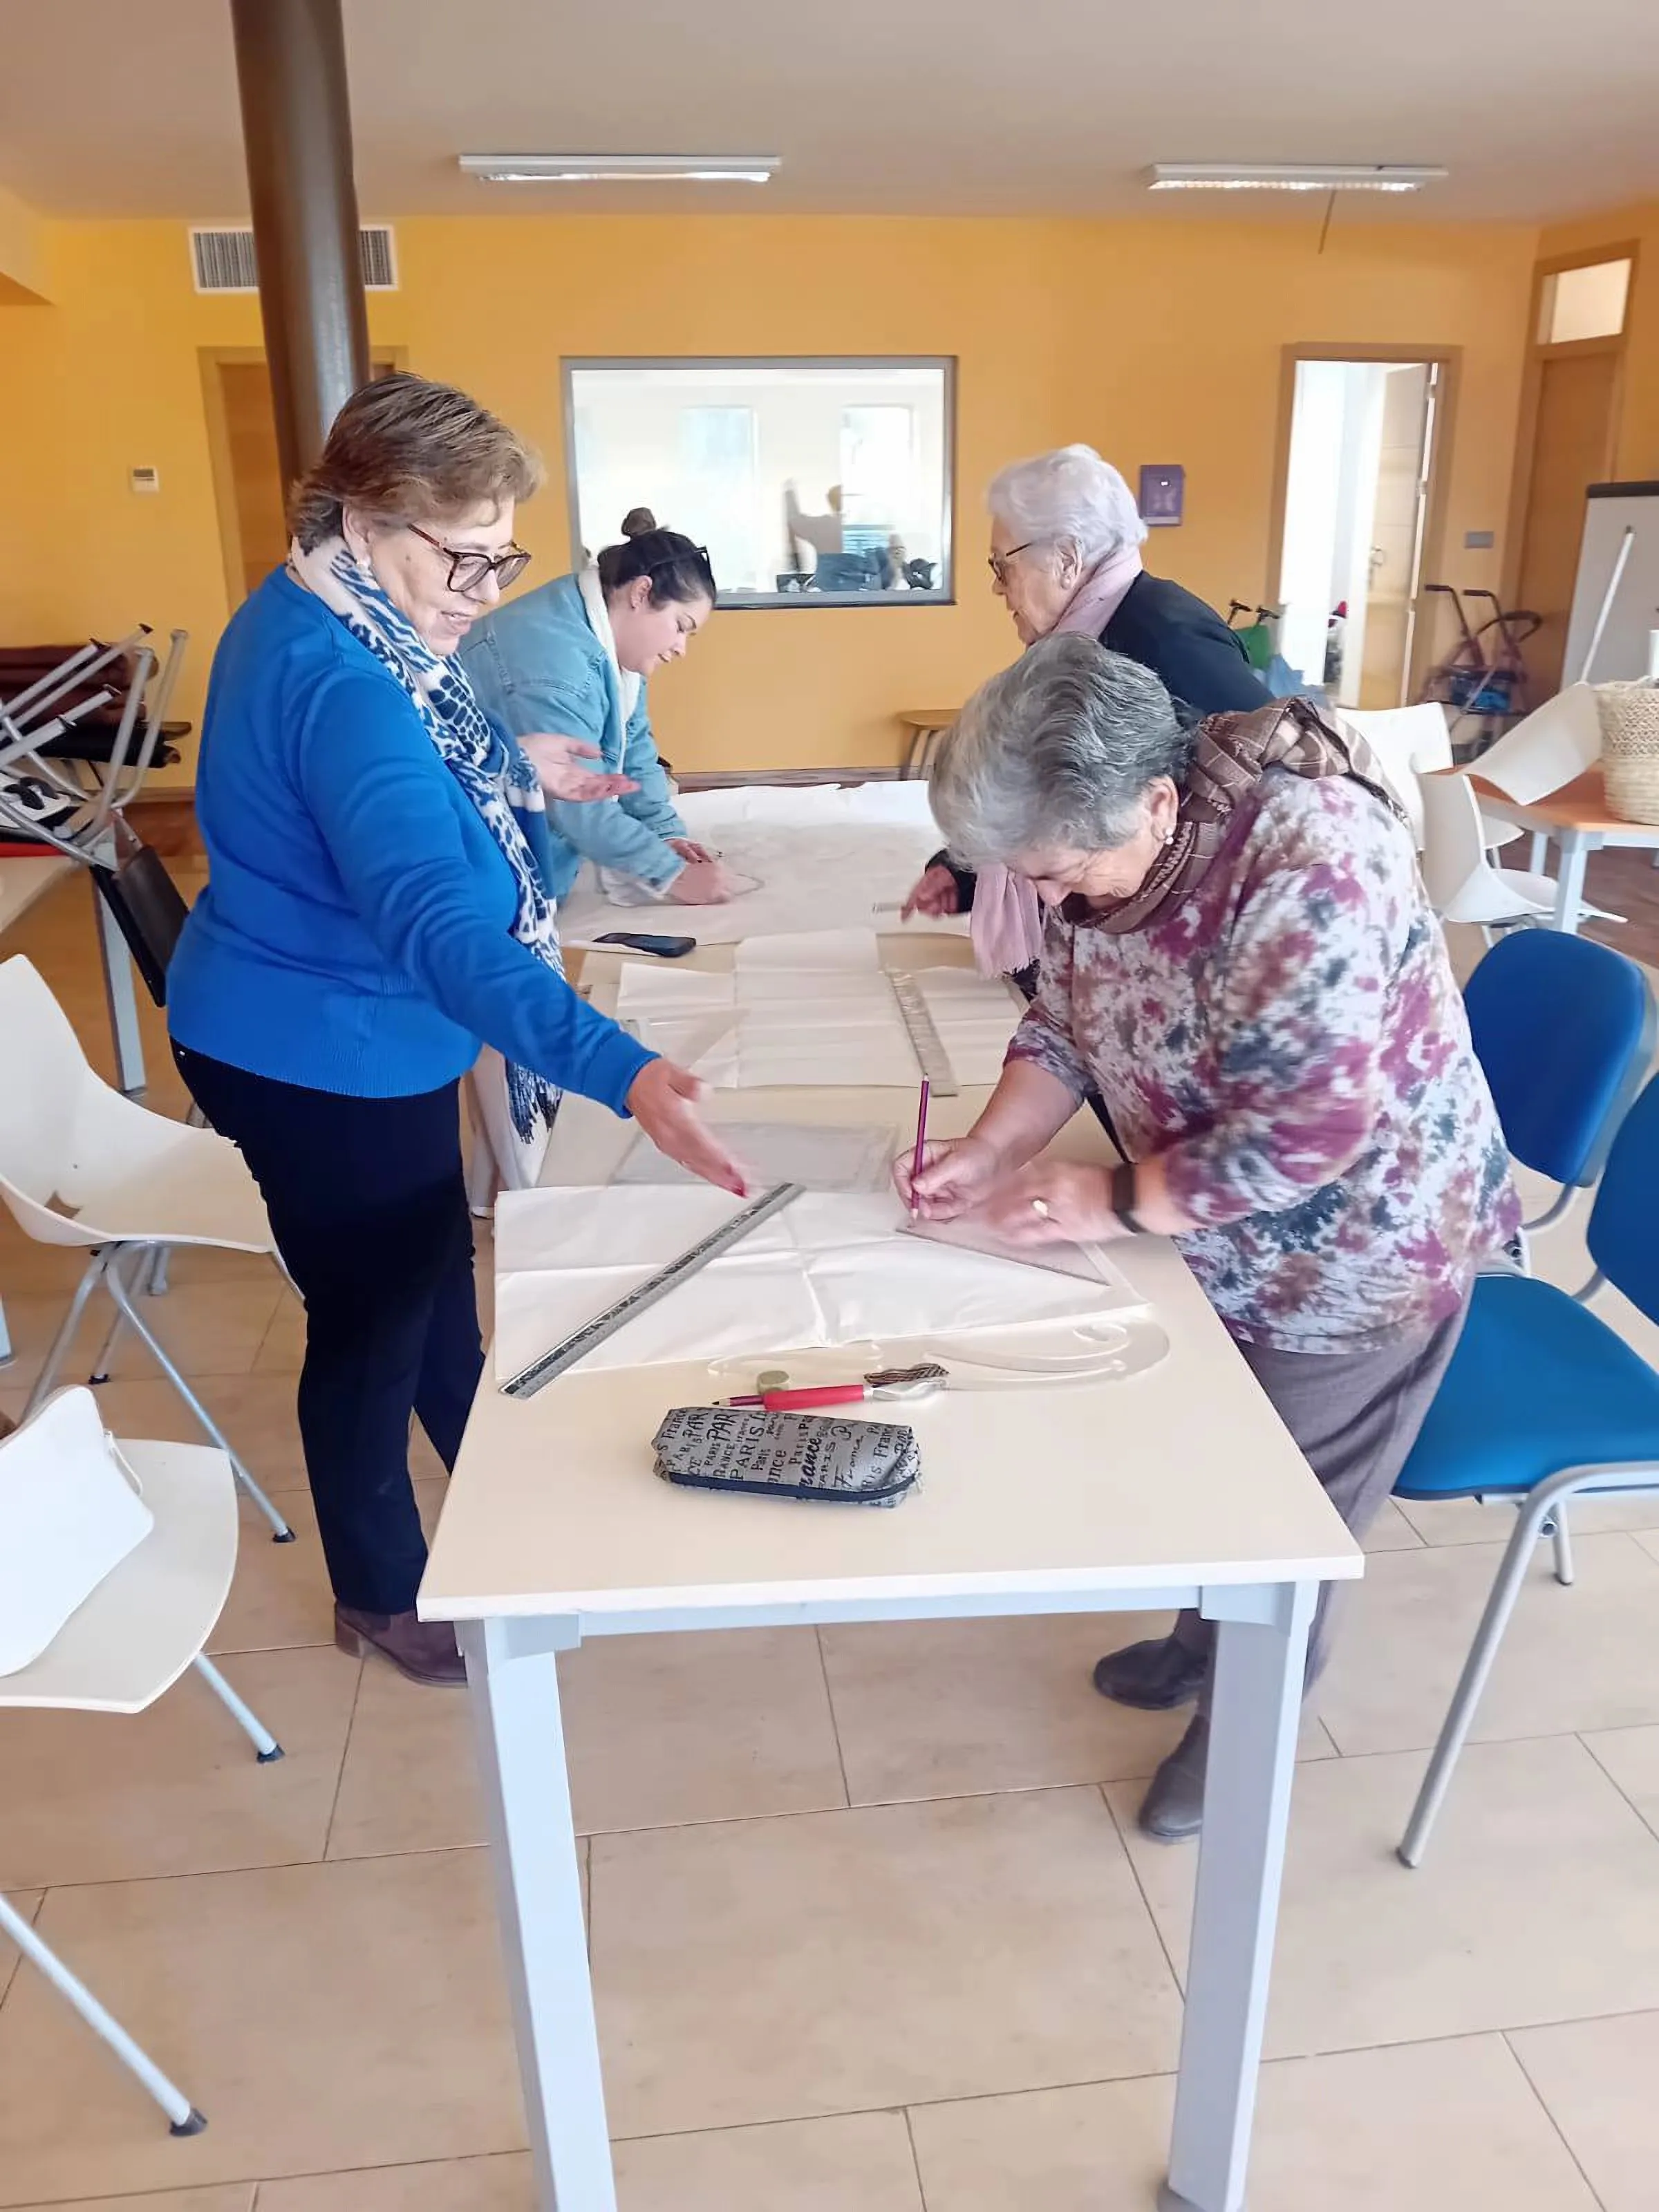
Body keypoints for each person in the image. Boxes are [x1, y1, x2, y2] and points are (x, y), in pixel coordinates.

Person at [168, 373, 745, 1689]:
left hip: (353, 1025)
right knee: (375, 1316)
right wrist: (622, 1068)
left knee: (428, 1265)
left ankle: (495, 1481)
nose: (484, 591)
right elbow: (439, 925)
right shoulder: (343, 675)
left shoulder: (333, 606)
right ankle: (377, 1590)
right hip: (317, 1045)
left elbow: (434, 738)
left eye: (506, 559)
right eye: (464, 558)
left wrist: (513, 770)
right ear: (366, 518)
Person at [898, 635, 1519, 1841]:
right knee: (1218, 1465)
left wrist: (1109, 1201)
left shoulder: (1313, 863)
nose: (1061, 902)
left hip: (1357, 1251)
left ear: (1160, 798)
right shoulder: (1098, 850)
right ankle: (1200, 1640)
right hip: (1209, 1223)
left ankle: (1246, 1732)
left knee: (1289, 1511)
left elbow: (1311, 1127)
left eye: (1068, 873)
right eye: (1037, 882)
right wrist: (994, 1149)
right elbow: (1065, 1027)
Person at [903, 444, 1266, 955]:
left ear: (1069, 559)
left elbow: (1260, 789)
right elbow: (1044, 789)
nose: (995, 587)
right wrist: (961, 871)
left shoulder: (1165, 638)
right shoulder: (1080, 639)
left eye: (1001, 566)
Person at [461, 511, 738, 906]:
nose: (681, 648)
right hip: (479, 872)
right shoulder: (554, 665)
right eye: (681, 626)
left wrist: (666, 834)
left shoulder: (603, 630)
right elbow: (576, 798)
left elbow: (636, 745)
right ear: (641, 593)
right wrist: (670, 873)